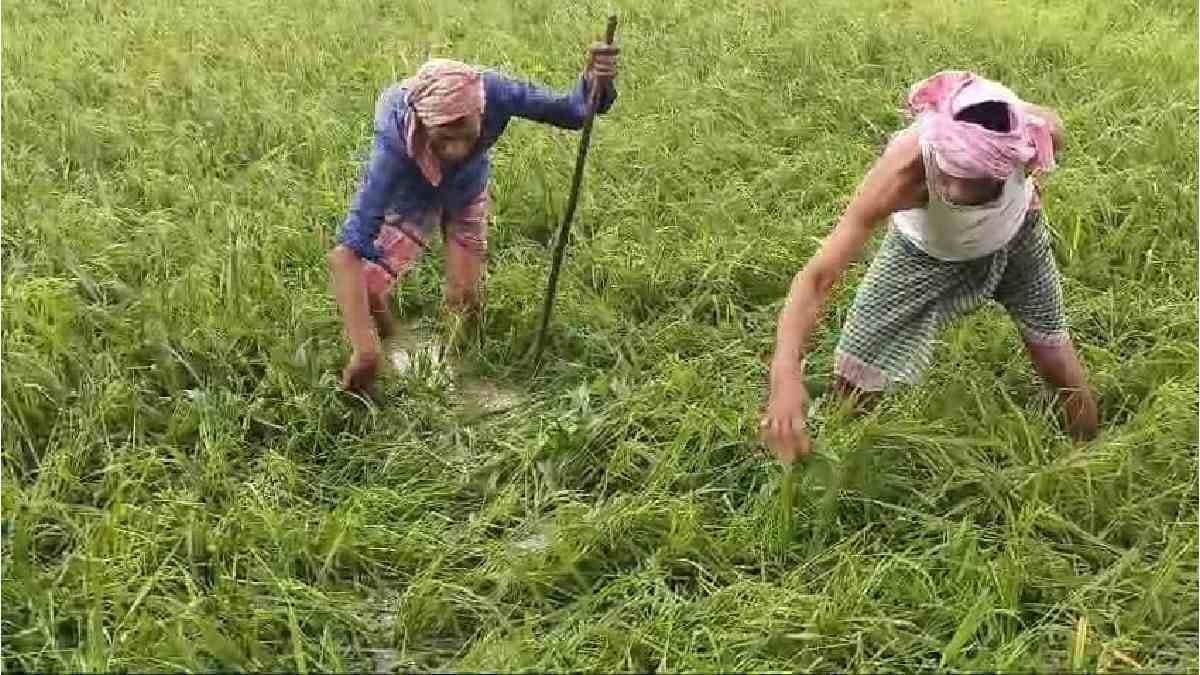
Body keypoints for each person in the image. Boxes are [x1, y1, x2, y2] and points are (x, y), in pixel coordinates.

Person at [761, 70, 1100, 463]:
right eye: (948, 178)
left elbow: (1050, 139)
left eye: (977, 187)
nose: (955, 193)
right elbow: (818, 277)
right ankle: (841, 460)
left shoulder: (1032, 134)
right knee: (858, 371)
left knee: (1055, 356)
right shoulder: (902, 173)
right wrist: (784, 375)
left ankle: (1086, 456)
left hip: (1017, 238)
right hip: (921, 254)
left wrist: (1026, 192)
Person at [329, 46, 620, 395]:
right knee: (369, 289)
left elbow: (573, 112)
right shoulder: (394, 140)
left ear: (481, 113)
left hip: (466, 189)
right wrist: (366, 351)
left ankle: (458, 375)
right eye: (443, 140)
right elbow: (347, 253)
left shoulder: (494, 94)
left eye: (465, 136)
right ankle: (393, 343)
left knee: (465, 297)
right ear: (422, 124)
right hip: (412, 192)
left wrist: (594, 82)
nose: (455, 150)